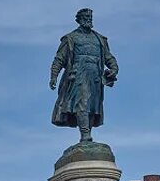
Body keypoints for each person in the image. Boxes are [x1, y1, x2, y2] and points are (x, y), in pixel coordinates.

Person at [49, 8, 118, 142]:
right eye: (86, 17)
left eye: (90, 17)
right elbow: (59, 59)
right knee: (83, 103)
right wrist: (53, 76)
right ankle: (85, 135)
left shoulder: (100, 39)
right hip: (78, 75)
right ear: (79, 20)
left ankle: (87, 133)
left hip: (96, 76)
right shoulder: (71, 38)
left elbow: (108, 57)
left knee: (93, 106)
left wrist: (114, 68)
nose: (88, 20)